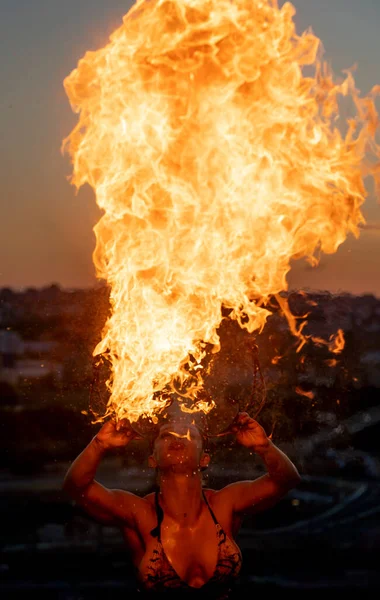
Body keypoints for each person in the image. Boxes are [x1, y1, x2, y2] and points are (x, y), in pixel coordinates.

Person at [63, 411, 301, 598]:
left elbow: (286, 480)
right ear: (152, 460)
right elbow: (77, 487)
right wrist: (99, 445)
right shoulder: (140, 512)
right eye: (166, 435)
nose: (178, 437)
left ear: (204, 458)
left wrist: (263, 446)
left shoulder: (225, 503)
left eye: (189, 433)